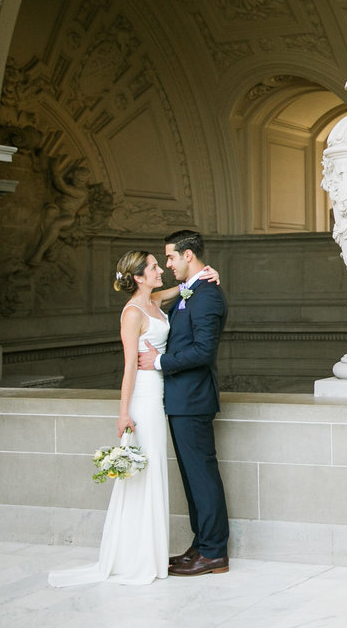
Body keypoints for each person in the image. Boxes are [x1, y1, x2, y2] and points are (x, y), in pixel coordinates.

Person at [49, 251, 214, 586]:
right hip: (143, 397)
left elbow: (178, 291)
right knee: (144, 474)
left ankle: (150, 554)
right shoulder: (132, 313)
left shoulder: (153, 300)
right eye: (154, 267)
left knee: (154, 473)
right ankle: (136, 557)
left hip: (161, 393)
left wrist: (205, 275)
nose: (160, 270)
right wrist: (123, 412)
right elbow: (128, 367)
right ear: (139, 276)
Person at [138, 230, 230, 577]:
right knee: (193, 479)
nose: (167, 263)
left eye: (171, 257)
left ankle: (214, 552)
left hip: (193, 399)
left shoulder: (207, 296)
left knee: (202, 477)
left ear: (188, 255)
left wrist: (159, 362)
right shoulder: (192, 290)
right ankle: (201, 545)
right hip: (181, 400)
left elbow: (204, 351)